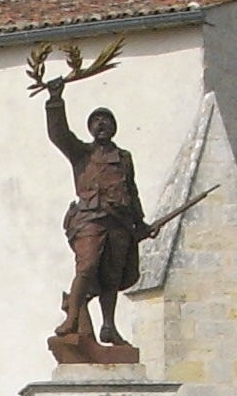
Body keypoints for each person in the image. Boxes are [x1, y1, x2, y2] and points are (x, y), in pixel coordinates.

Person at [41, 81, 156, 352]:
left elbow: (132, 191)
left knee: (112, 277)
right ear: (90, 128)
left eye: (106, 120)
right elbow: (58, 133)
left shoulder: (124, 158)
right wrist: (55, 100)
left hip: (120, 223)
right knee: (87, 266)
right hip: (90, 218)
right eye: (96, 121)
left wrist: (141, 224)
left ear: (114, 127)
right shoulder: (82, 153)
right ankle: (71, 320)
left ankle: (109, 326)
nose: (101, 125)